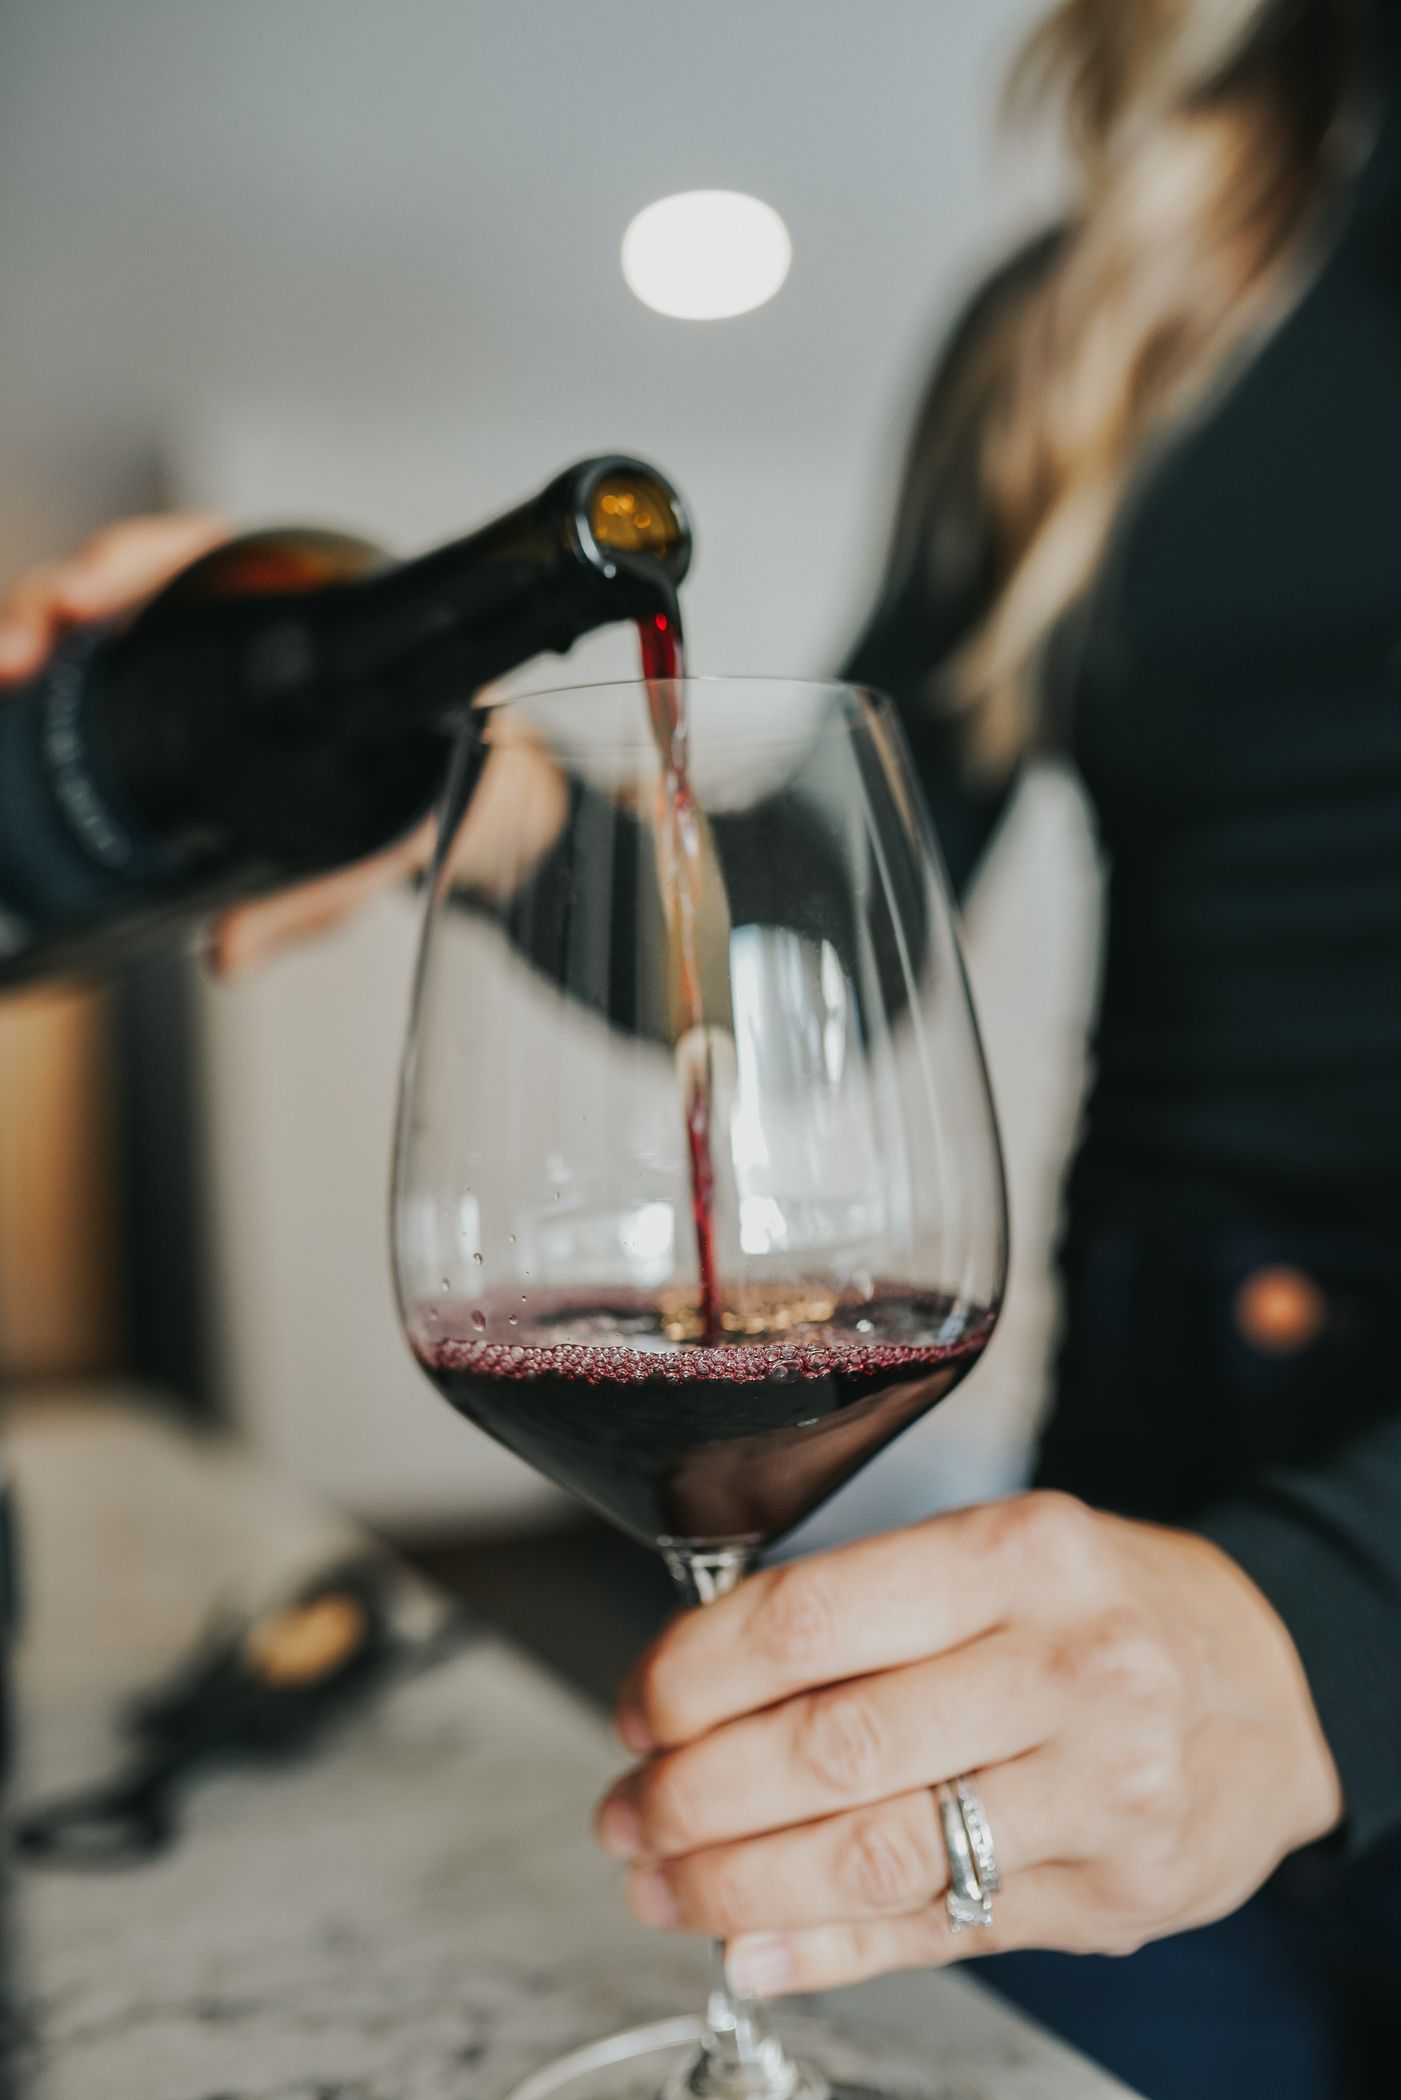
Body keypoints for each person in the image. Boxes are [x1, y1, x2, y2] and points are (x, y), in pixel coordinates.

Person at [2, 6, 1396, 2092]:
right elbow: (762, 937)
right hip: (1147, 1468)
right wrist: (402, 740)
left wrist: (1340, 1628)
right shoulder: (1101, 305)